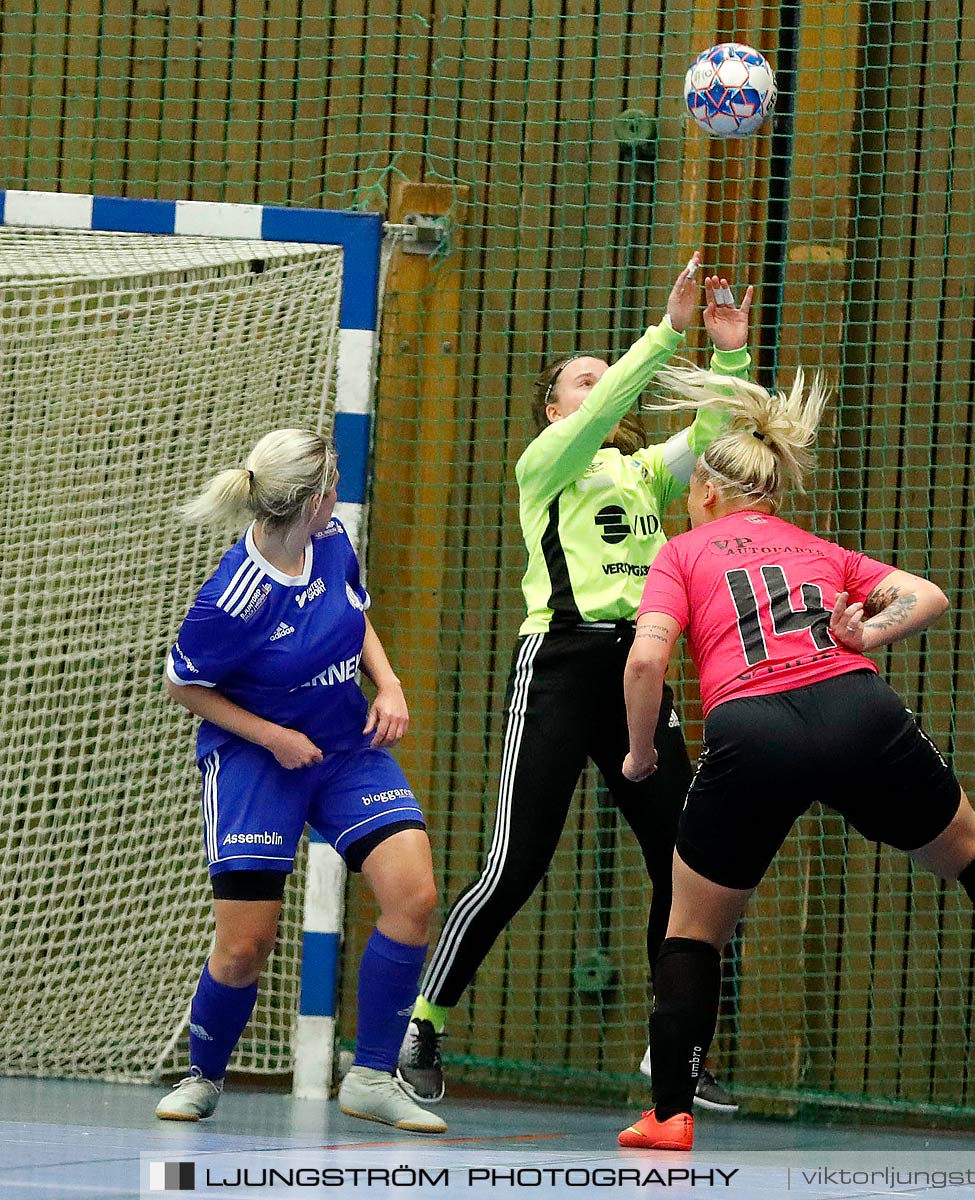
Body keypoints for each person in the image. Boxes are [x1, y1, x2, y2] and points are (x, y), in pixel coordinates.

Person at [615, 370, 975, 1152]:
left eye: (691, 492)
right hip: (857, 709)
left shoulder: (684, 553)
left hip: (752, 731)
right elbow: (925, 595)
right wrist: (864, 637)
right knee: (972, 850)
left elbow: (645, 664)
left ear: (714, 496)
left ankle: (671, 1114)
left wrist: (640, 753)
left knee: (693, 929)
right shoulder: (817, 546)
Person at [396, 254, 750, 1110]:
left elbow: (720, 437)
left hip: (638, 668)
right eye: (582, 380)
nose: (601, 385)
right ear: (557, 409)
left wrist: (727, 353)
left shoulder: (640, 473)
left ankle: (675, 1053)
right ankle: (425, 1024)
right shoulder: (544, 464)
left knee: (687, 860)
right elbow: (607, 406)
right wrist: (666, 333)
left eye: (605, 374)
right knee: (515, 862)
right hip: (556, 663)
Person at [157, 429, 445, 1134]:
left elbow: (355, 612)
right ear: (314, 498)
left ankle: (373, 1075)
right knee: (246, 945)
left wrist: (389, 683)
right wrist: (271, 737)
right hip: (260, 758)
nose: (339, 491)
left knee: (415, 898)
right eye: (335, 482)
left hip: (347, 745)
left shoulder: (333, 539)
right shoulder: (233, 597)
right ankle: (204, 1075)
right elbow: (182, 684)